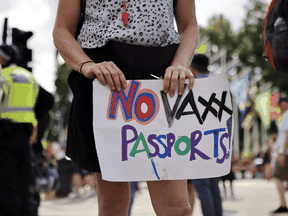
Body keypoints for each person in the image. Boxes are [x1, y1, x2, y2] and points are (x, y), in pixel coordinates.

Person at [53, 0, 198, 215]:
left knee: (176, 207)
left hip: (161, 78)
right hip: (105, 78)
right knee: (112, 204)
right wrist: (86, 65)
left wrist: (180, 64)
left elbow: (189, 25)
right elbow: (61, 30)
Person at [0, 44, 40, 216]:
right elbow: (36, 104)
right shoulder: (29, 76)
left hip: (5, 133)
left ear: (3, 59)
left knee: (6, 179)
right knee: (26, 179)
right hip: (26, 133)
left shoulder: (3, 76)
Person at [187, 54, 223, 216]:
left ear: (192, 67)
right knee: (214, 185)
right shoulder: (217, 83)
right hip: (216, 139)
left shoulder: (193, 85)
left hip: (198, 140)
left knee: (202, 186)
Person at [271, 94, 288, 214]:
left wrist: (283, 152)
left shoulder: (287, 115)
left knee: (277, 177)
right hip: (284, 151)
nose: (279, 106)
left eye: (280, 103)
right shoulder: (283, 117)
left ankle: (283, 204)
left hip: (286, 153)